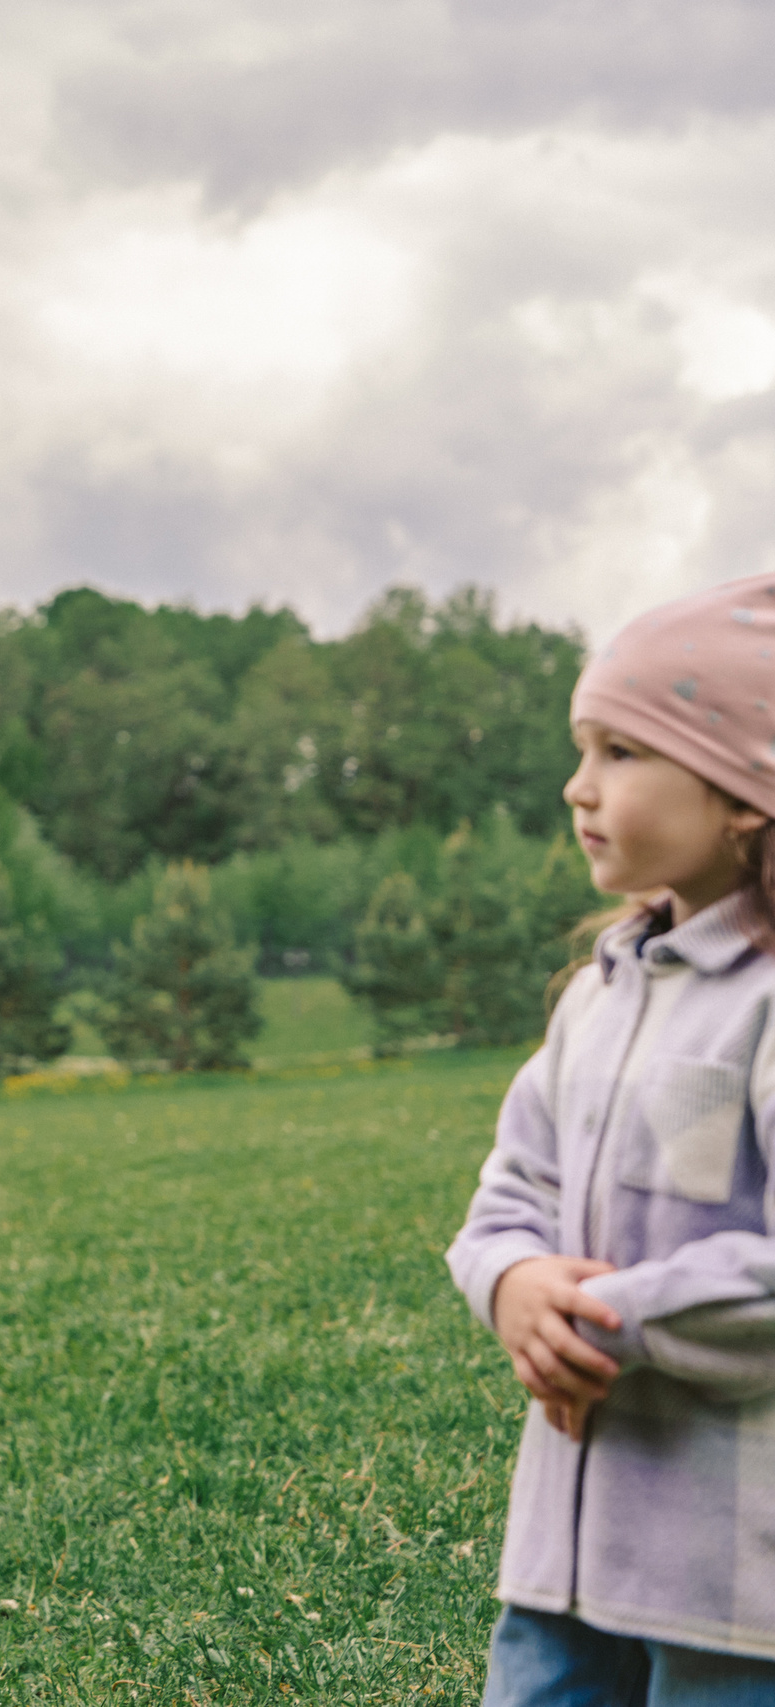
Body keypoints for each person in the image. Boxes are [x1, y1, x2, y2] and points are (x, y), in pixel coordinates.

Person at [447, 573, 775, 1702]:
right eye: (581, 748)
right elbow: (511, 1191)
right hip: (557, 1575)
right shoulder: (595, 996)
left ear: (744, 794)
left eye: (622, 752)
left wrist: (608, 1318)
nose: (577, 786)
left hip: (735, 1595)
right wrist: (512, 1281)